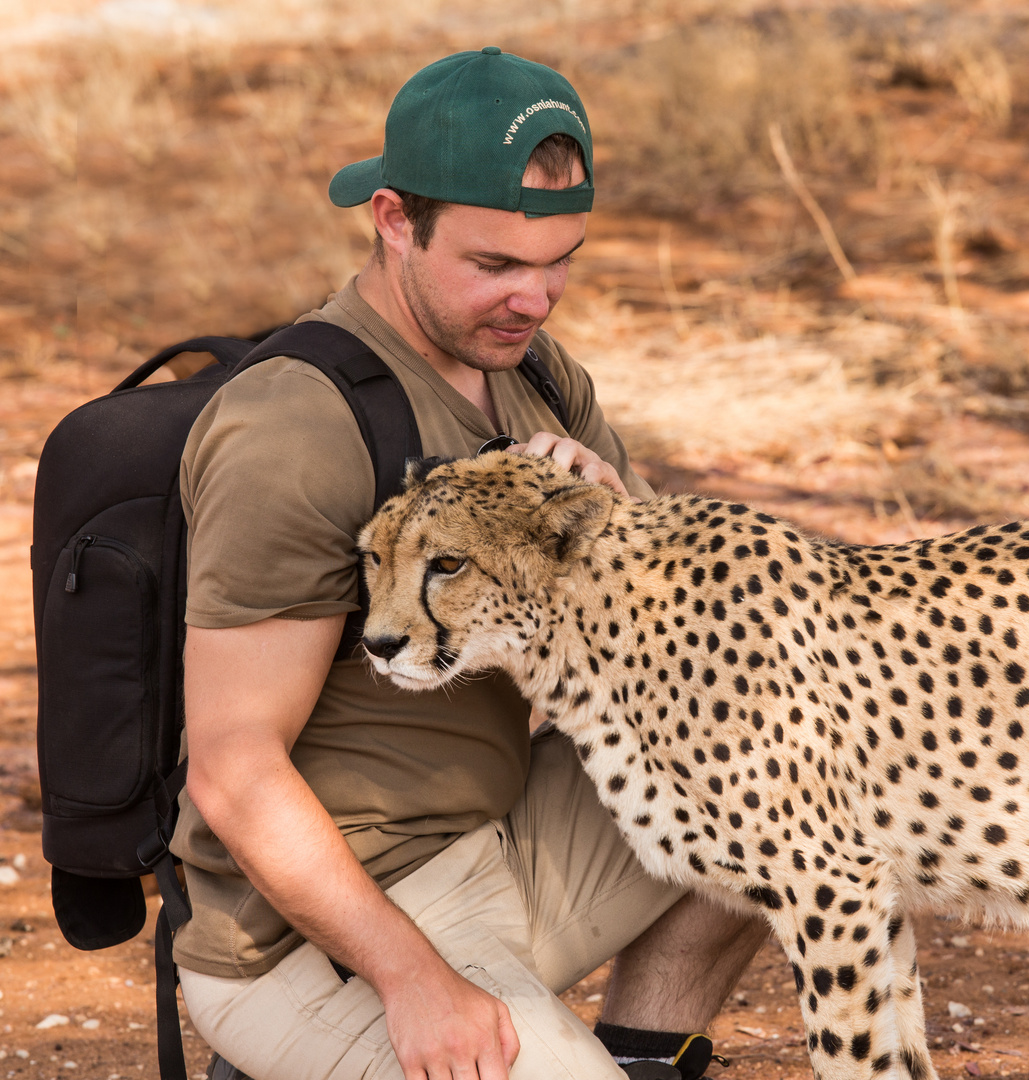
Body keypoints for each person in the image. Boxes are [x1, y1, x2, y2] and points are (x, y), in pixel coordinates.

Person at [170, 47, 768, 1080]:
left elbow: (681, 658)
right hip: (322, 927)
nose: (536, 300)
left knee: (792, 778)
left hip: (496, 843)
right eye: (495, 266)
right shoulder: (294, 425)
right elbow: (233, 768)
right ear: (394, 220)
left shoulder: (530, 367)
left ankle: (627, 1060)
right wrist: (413, 981)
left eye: (560, 260)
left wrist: (614, 525)